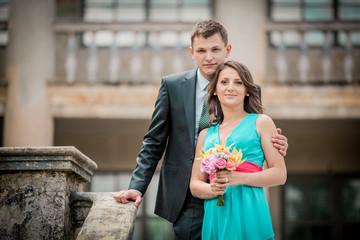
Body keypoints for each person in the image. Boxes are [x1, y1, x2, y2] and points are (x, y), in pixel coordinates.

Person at [114, 20, 288, 240]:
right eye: (202, 50)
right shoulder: (172, 86)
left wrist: (278, 144)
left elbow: (253, 132)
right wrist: (136, 187)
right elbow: (153, 143)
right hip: (188, 194)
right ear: (192, 52)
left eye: (215, 49)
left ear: (227, 50)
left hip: (238, 196)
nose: (209, 57)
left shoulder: (246, 88)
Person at [190, 60, 287, 239]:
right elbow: (195, 185)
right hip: (216, 215)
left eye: (238, 82)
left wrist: (239, 178)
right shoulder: (205, 134)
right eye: (224, 82)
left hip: (250, 210)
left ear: (247, 90)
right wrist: (214, 189)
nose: (230, 87)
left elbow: (280, 174)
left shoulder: (262, 122)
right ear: (214, 91)